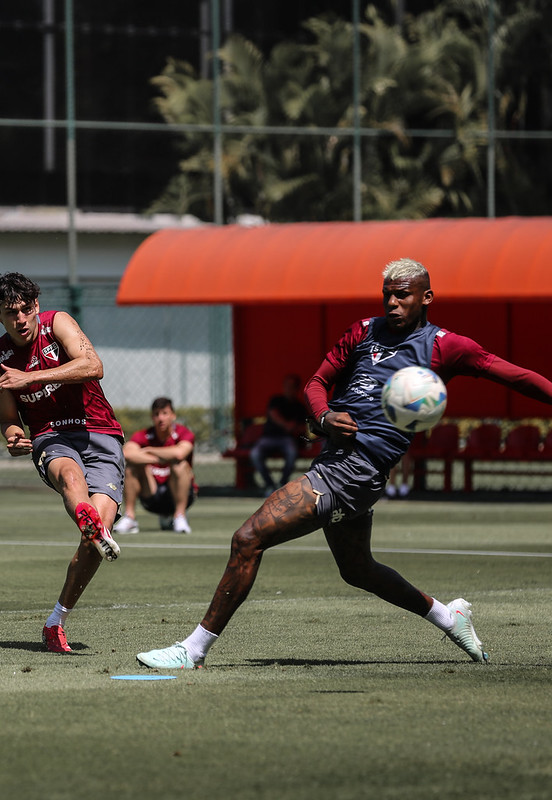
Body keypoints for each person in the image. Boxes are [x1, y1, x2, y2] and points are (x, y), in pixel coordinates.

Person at [135, 257, 552, 669]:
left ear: (426, 298)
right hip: (337, 459)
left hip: (356, 470)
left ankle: (193, 650)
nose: (392, 303)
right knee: (358, 570)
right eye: (387, 295)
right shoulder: (363, 331)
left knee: (247, 539)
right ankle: (448, 617)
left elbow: (513, 375)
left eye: (403, 296)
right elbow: (317, 382)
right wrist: (324, 417)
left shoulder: (446, 346)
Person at [0, 272, 125, 654]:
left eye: (26, 309)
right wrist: (14, 435)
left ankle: (55, 620)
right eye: (11, 312)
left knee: (95, 541)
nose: (20, 319)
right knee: (69, 475)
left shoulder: (57, 323)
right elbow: (8, 418)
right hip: (50, 435)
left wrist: (30, 377)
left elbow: (93, 365)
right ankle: (84, 514)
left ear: (37, 307)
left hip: (100, 431)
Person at [113, 397, 197, 535]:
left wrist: (149, 450)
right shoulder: (144, 435)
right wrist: (163, 457)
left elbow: (180, 454)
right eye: (157, 414)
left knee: (180, 465)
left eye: (165, 413)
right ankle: (130, 518)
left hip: (180, 494)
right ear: (152, 417)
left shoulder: (184, 433)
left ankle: (180, 517)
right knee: (132, 467)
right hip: (152, 494)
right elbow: (127, 453)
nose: (161, 418)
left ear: (173, 415)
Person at [250, 374, 309, 495]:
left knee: (292, 452)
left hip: (287, 439)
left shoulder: (300, 407)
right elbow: (274, 414)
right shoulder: (276, 400)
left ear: (297, 388)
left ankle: (282, 483)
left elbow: (303, 428)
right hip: (268, 438)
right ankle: (270, 485)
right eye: (286, 386)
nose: (288, 389)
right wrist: (287, 425)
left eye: (292, 386)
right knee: (255, 454)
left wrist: (294, 428)